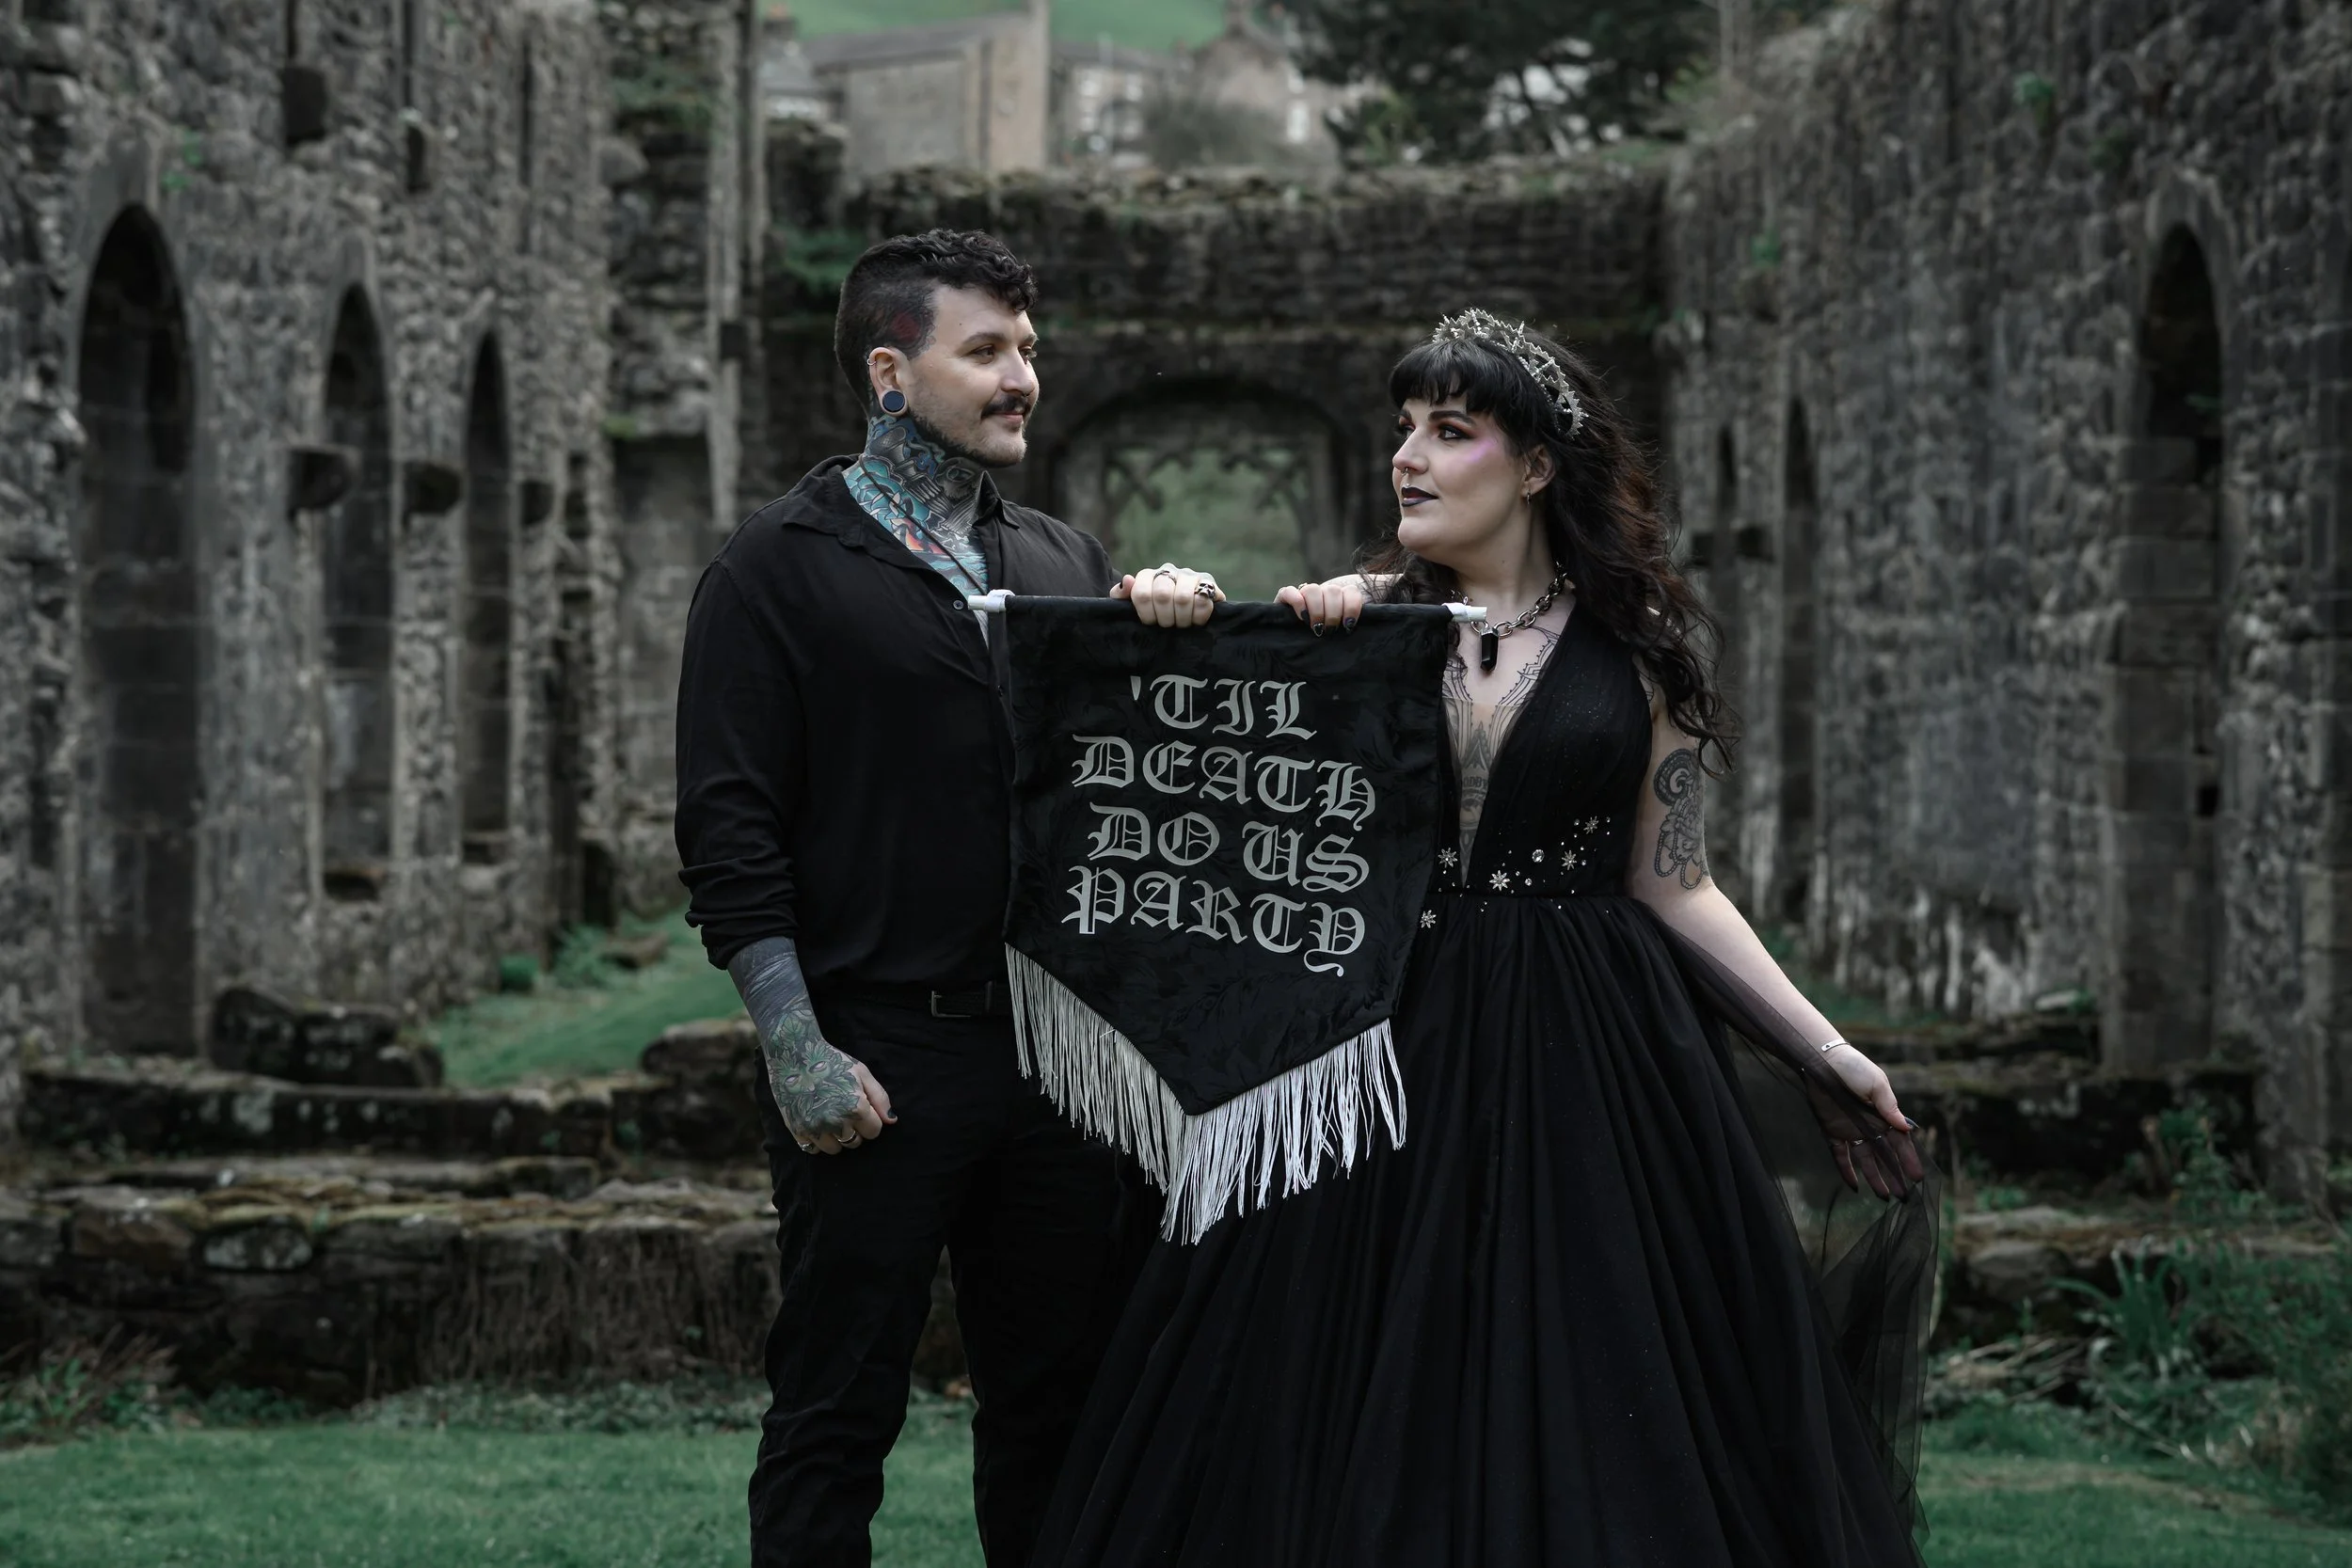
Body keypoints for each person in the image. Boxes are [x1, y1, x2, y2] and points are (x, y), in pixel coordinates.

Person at [1029, 309, 1936, 1568]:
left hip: (1591, 1070)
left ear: (1537, 467)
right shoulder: (1347, 631)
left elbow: (1676, 889)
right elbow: (1188, 750)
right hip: (1373, 1058)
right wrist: (1160, 606)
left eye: (1450, 431)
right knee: (1332, 1390)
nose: (1409, 454)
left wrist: (1823, 1051)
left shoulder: (1643, 661)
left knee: (1603, 1371)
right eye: (1405, 428)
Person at [673, 228, 1222, 1568]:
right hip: (874, 1052)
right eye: (985, 351)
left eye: (1029, 349)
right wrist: (798, 1050)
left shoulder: (1059, 561)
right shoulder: (772, 572)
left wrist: (1162, 619)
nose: (1022, 376)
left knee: (1057, 1409)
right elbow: (728, 837)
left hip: (1054, 1062)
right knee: (833, 1409)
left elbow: (1142, 794)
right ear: (888, 370)